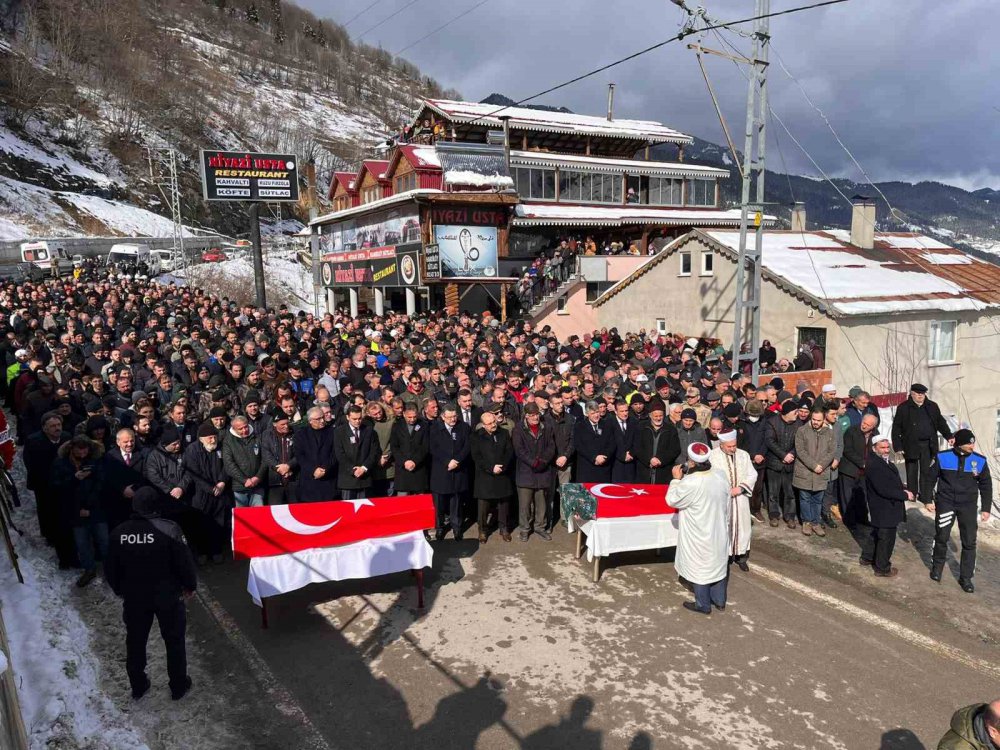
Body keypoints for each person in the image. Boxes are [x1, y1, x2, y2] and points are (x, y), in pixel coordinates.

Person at [105, 486, 196, 701]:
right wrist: (189, 585)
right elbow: (184, 562)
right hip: (168, 596)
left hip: (135, 597)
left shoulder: (120, 532)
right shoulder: (170, 529)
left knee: (136, 641)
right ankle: (178, 685)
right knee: (174, 641)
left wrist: (120, 589)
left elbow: (110, 568)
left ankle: (138, 685)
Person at [670, 443, 732, 615]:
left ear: (691, 462)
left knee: (701, 567)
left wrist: (676, 479)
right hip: (718, 528)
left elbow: (672, 500)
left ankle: (702, 604)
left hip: (699, 531)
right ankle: (719, 600)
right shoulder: (720, 475)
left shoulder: (690, 482)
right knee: (718, 564)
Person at [929, 428, 992, 593]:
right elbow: (930, 478)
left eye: (972, 442)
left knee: (969, 542)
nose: (972, 445)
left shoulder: (980, 461)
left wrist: (986, 508)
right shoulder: (942, 457)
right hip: (946, 503)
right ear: (959, 443)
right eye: (968, 443)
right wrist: (928, 499)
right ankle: (937, 568)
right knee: (942, 536)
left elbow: (986, 485)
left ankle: (966, 578)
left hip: (968, 506)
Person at [51, 435, 107, 587]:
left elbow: (100, 486)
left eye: (85, 450)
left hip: (96, 510)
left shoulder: (95, 461)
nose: (82, 454)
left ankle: (110, 568)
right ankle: (89, 569)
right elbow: (57, 487)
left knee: (104, 541)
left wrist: (89, 508)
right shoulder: (61, 463)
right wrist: (74, 478)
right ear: (72, 449)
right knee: (82, 544)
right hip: (74, 511)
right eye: (79, 451)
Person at [891, 383, 953, 506]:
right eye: (918, 393)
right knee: (912, 471)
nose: (921, 396)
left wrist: (949, 436)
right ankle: (912, 495)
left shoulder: (932, 406)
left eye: (923, 393)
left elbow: (940, 422)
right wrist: (898, 446)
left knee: (927, 471)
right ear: (912, 393)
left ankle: (926, 497)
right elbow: (896, 428)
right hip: (911, 444)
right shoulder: (904, 408)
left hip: (928, 444)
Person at [862, 432, 913, 577]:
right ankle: (882, 567)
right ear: (874, 448)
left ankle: (867, 557)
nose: (886, 450)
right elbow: (883, 489)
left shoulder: (883, 462)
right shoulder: (875, 465)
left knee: (877, 533)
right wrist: (904, 495)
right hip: (884, 507)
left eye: (887, 447)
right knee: (886, 538)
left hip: (884, 507)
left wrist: (901, 487)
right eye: (882, 448)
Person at [182, 422, 231, 563]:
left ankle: (216, 551)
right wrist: (210, 489)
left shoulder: (221, 447)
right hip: (201, 495)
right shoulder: (192, 450)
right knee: (201, 524)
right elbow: (194, 473)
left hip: (220, 492)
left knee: (218, 523)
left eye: (214, 437)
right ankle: (202, 553)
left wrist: (222, 482)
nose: (213, 440)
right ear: (201, 439)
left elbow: (227, 465)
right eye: (209, 438)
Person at [709, 429, 757, 572]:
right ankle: (726, 556)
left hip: (741, 499)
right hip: (723, 499)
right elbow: (710, 477)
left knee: (743, 527)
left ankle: (741, 557)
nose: (732, 449)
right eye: (729, 446)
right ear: (721, 445)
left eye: (734, 445)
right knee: (724, 526)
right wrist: (725, 490)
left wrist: (741, 488)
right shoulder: (713, 456)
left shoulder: (743, 455)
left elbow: (752, 474)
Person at [512, 402, 555, 542]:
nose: (535, 417)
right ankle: (524, 529)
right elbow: (519, 450)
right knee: (524, 505)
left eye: (537, 414)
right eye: (532, 415)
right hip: (526, 472)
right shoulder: (518, 429)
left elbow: (551, 447)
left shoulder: (546, 427)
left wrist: (543, 461)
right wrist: (533, 462)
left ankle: (540, 527)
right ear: (526, 415)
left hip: (543, 471)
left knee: (541, 503)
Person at [428, 403, 472, 540]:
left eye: (455, 416)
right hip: (441, 471)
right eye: (449, 417)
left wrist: (457, 460)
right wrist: (448, 461)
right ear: (442, 417)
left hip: (458, 470)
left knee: (456, 503)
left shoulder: (464, 427)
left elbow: (467, 446)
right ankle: (439, 528)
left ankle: (457, 528)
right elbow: (433, 448)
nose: (453, 419)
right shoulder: (434, 428)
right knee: (439, 504)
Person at [470, 411, 514, 543]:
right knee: (483, 506)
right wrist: (491, 468)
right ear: (483, 425)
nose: (493, 425)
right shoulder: (476, 436)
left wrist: (503, 466)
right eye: (489, 424)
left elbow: (509, 451)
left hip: (502, 474)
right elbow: (476, 457)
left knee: (503, 504)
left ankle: (504, 528)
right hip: (485, 476)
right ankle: (482, 530)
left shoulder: (504, 433)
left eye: (494, 422)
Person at [793, 406, 836, 537]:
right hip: (805, 471)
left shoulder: (829, 433)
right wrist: (813, 465)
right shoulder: (802, 431)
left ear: (824, 420)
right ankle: (806, 522)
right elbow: (800, 451)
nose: (815, 422)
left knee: (818, 499)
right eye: (813, 419)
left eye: (818, 420)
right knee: (805, 498)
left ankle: (815, 522)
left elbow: (831, 452)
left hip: (821, 472)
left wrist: (821, 465)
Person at [765, 401, 800, 529]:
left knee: (789, 492)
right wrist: (783, 455)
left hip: (790, 463)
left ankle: (790, 516)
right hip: (774, 462)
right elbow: (770, 441)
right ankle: (774, 515)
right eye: (795, 412)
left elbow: (800, 442)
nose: (797, 414)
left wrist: (791, 455)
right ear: (787, 413)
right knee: (773, 492)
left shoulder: (798, 424)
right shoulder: (772, 422)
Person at [334, 404, 379, 501]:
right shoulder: (339, 432)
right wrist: (352, 469)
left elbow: (374, 452)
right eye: (354, 419)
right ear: (347, 417)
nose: (357, 421)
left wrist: (364, 468)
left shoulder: (369, 431)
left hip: (365, 477)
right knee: (347, 511)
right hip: (347, 478)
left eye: (359, 418)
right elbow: (339, 454)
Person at [295, 407, 338, 503]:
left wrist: (325, 469)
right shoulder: (301, 434)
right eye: (318, 419)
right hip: (309, 482)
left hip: (329, 480)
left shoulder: (333, 432)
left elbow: (335, 454)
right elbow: (300, 456)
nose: (322, 421)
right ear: (310, 421)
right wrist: (313, 470)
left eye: (323, 417)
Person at [222, 415, 266, 508]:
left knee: (259, 516)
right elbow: (229, 464)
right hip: (239, 488)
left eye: (245, 427)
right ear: (234, 429)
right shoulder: (228, 442)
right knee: (243, 518)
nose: (244, 430)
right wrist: (244, 480)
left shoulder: (257, 437)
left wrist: (258, 477)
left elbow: (265, 459)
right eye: (240, 429)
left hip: (257, 486)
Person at [633, 399, 680, 484]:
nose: (658, 418)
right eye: (656, 416)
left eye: (660, 416)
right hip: (644, 471)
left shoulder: (671, 429)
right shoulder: (641, 427)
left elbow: (675, 449)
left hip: (663, 471)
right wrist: (649, 460)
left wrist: (661, 460)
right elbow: (637, 447)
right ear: (650, 415)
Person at [390, 402, 429, 496]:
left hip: (418, 469)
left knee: (420, 503)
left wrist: (415, 461)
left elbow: (425, 447)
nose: (412, 420)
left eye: (414, 417)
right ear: (403, 414)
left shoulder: (424, 426)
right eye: (409, 417)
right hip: (403, 470)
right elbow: (394, 447)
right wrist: (404, 462)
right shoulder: (397, 426)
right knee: (402, 503)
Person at [574, 401, 615, 483]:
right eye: (593, 413)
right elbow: (579, 446)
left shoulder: (607, 425)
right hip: (587, 468)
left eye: (597, 412)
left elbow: (612, 443)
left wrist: (604, 457)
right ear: (586, 414)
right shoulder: (579, 426)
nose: (596, 415)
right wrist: (594, 457)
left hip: (604, 467)